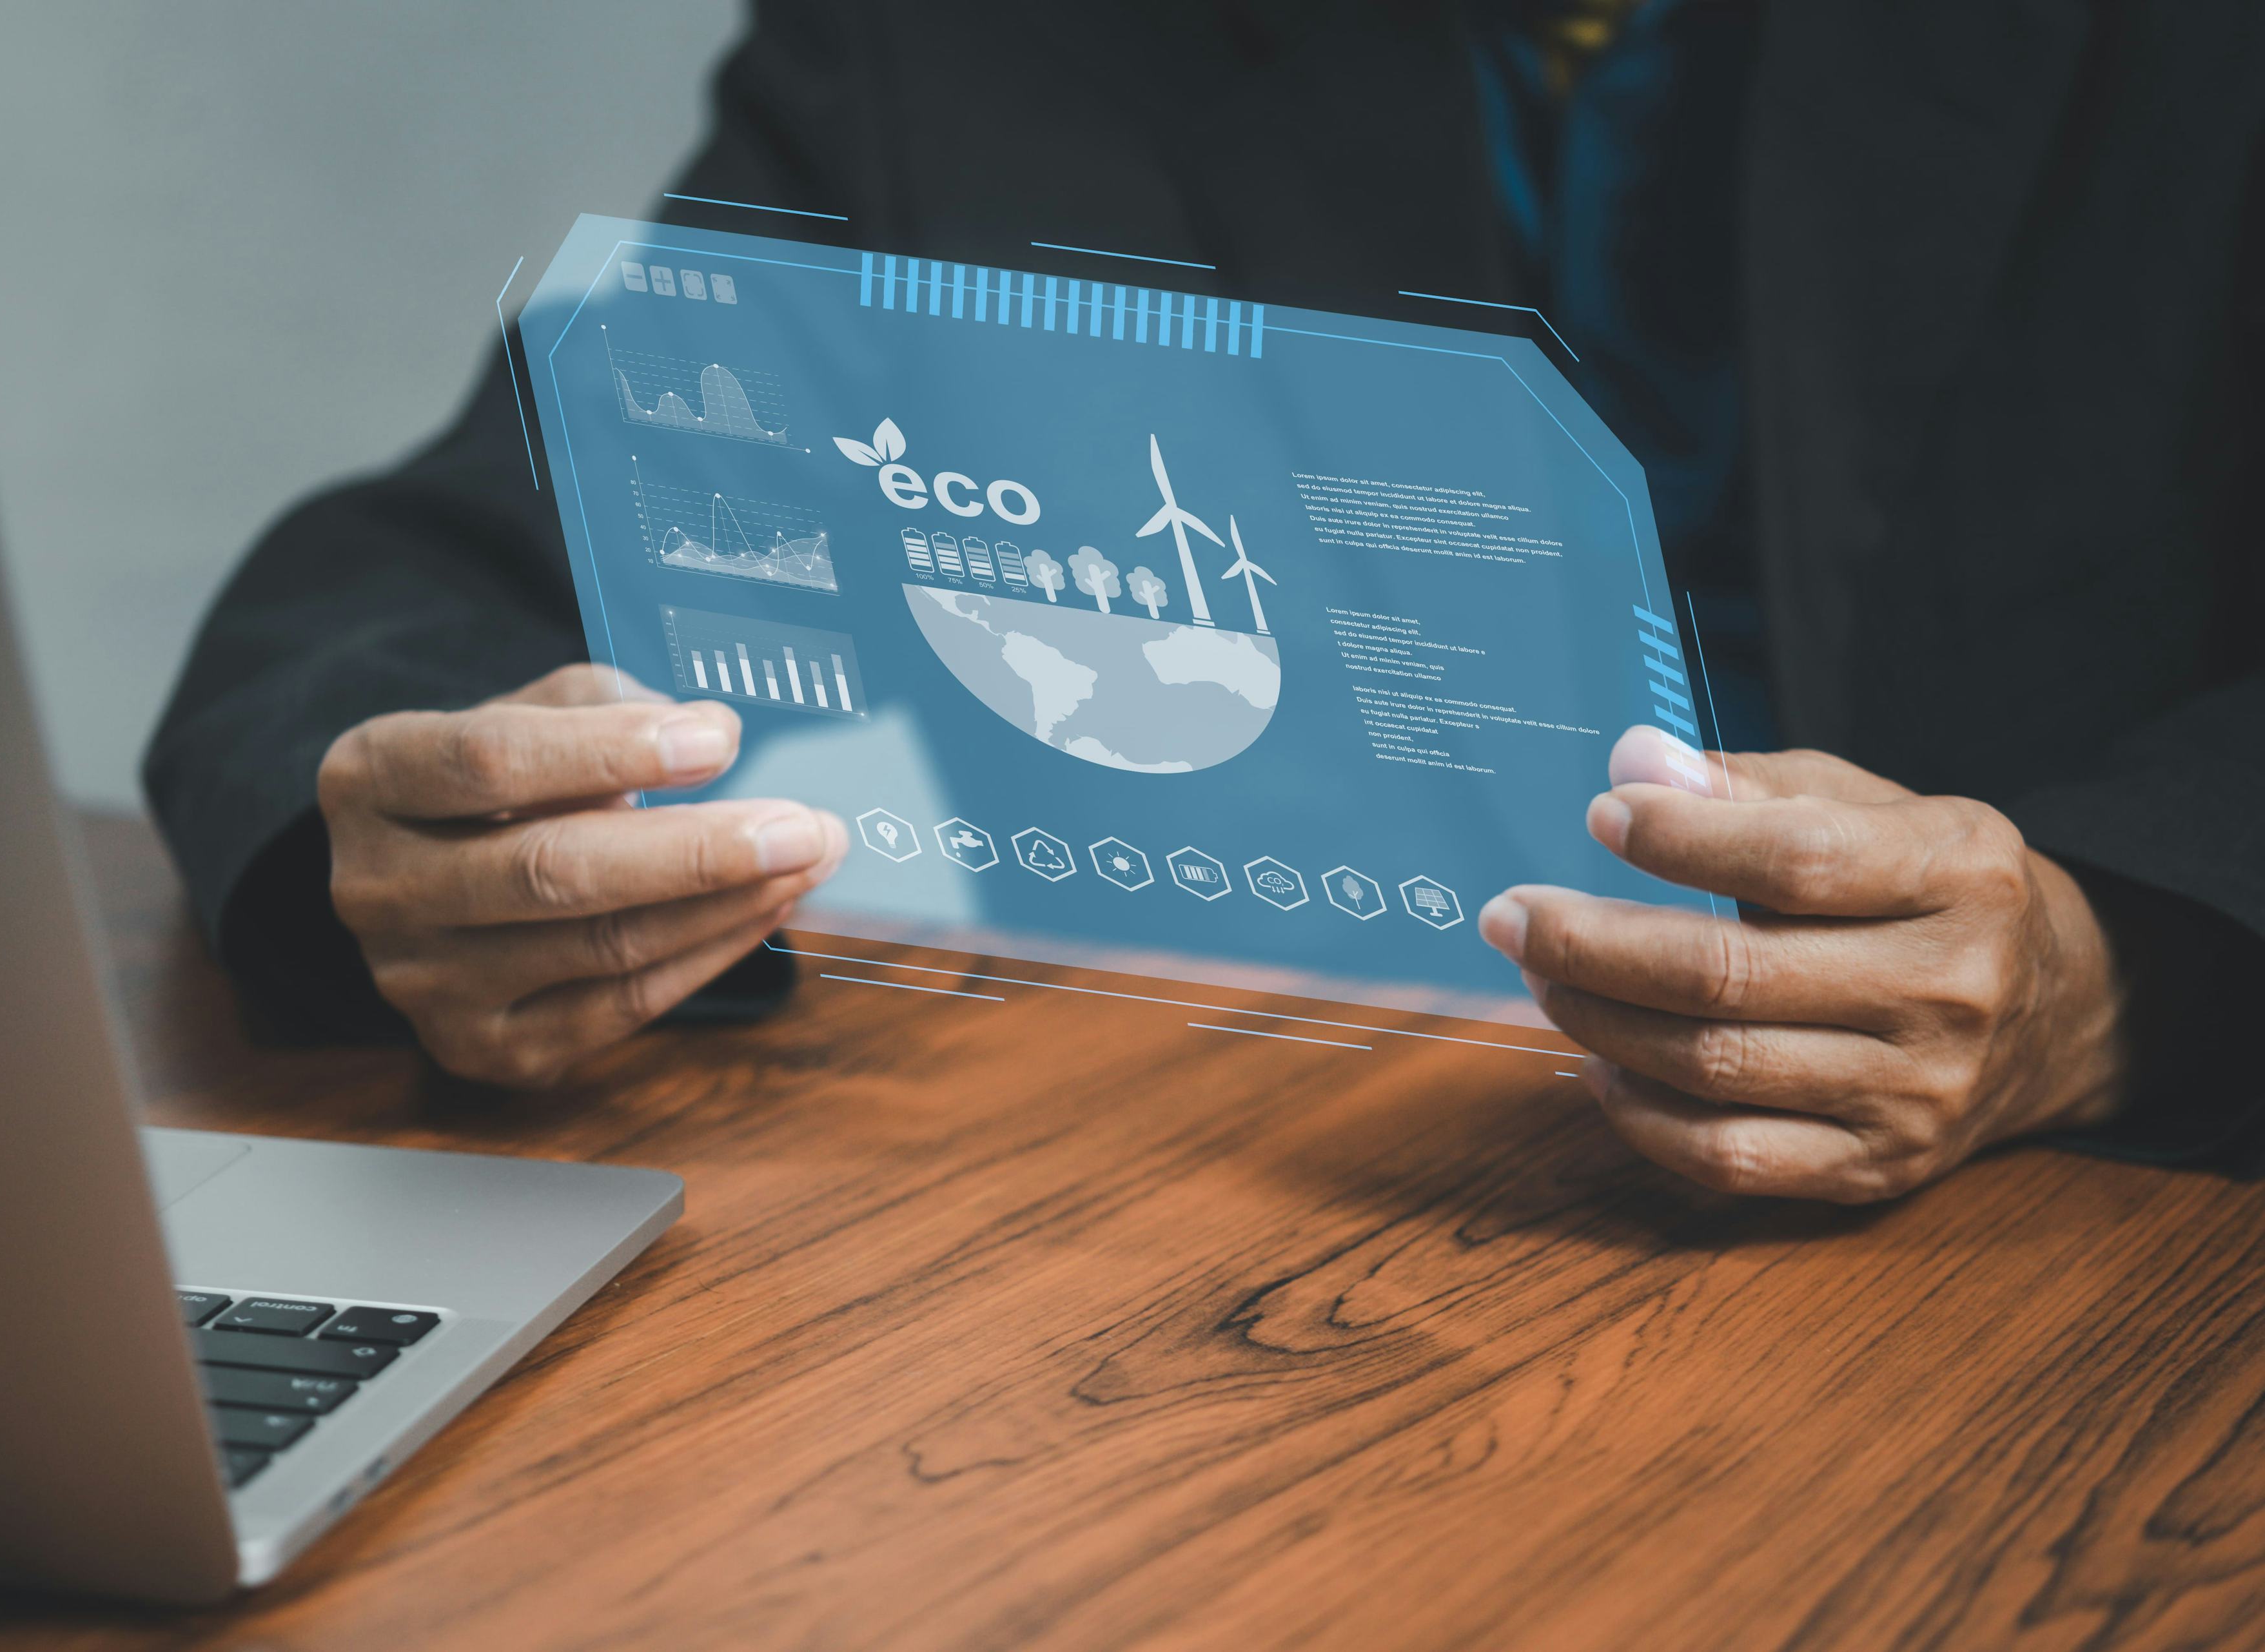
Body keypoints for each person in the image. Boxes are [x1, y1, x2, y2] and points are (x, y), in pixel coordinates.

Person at [145, 0, 2264, 1200]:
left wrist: (2108, 962)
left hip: (2061, 1291)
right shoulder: (963, 43)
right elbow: (422, 584)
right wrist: (448, 858)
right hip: (1226, 1224)